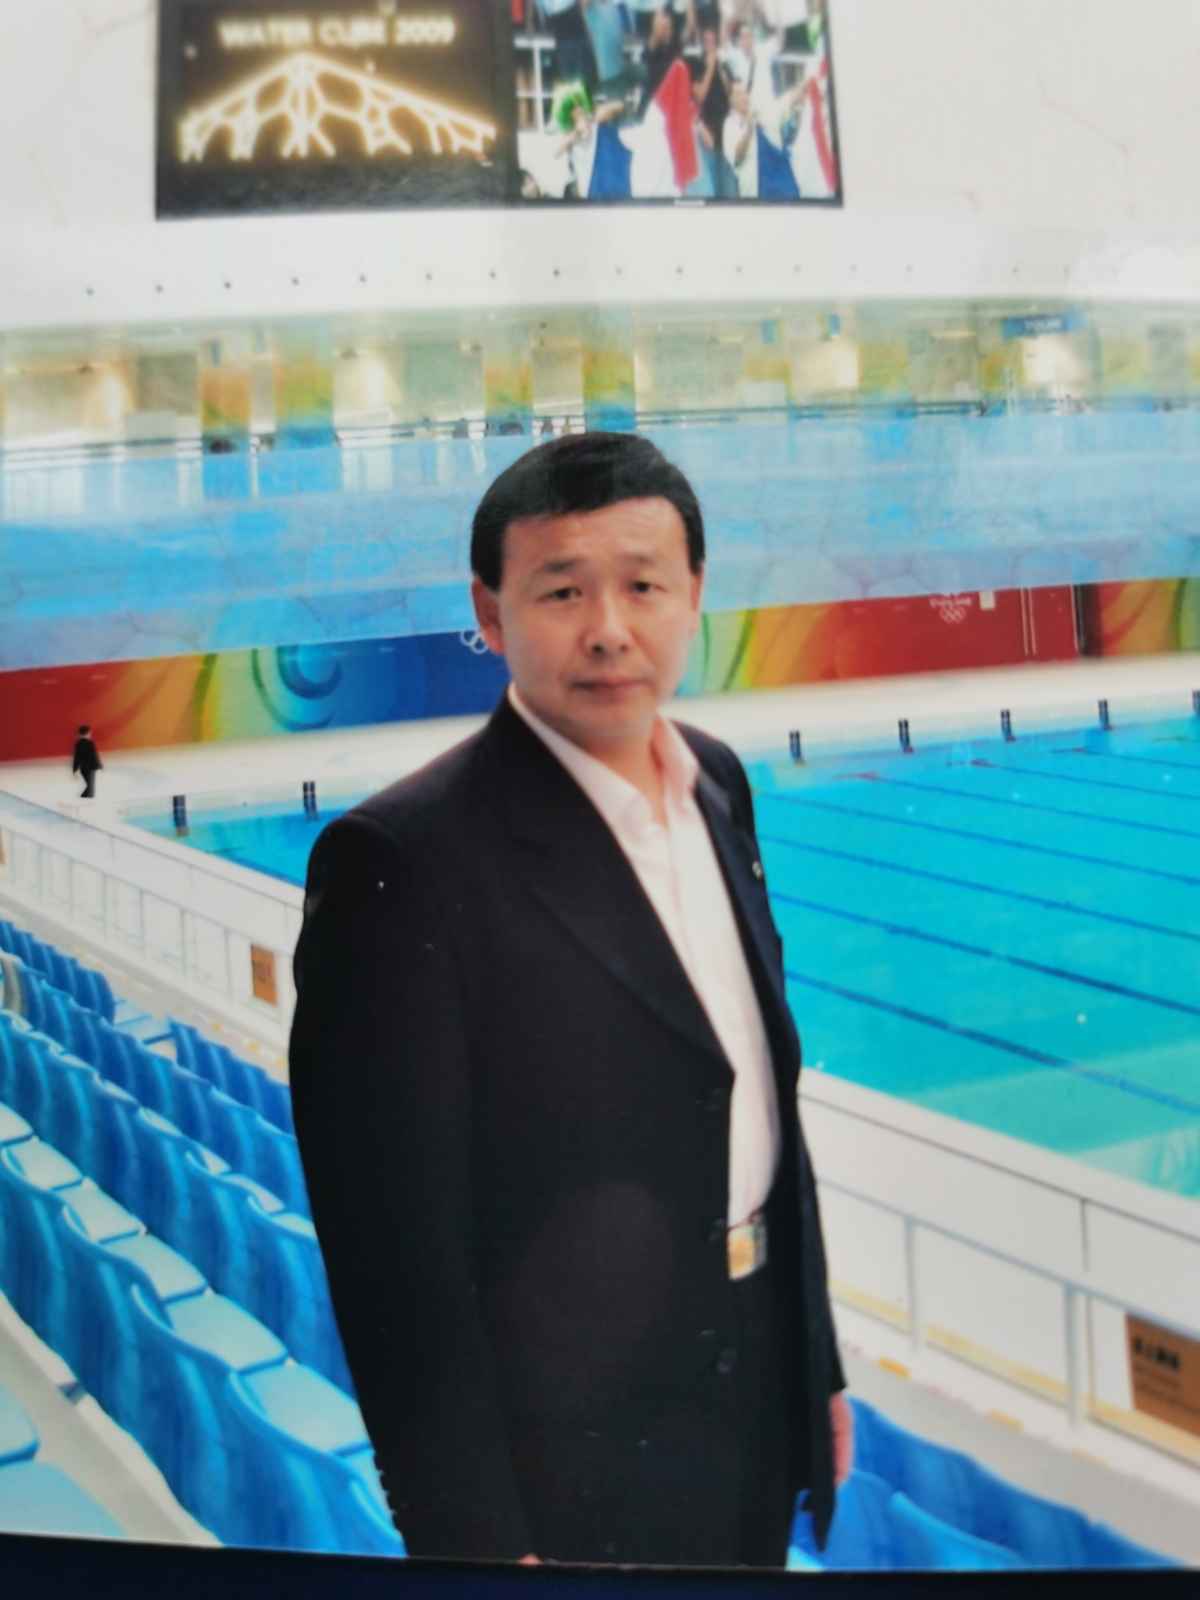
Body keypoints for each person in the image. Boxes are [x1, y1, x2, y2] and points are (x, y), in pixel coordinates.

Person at [289, 432, 852, 1567]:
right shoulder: (404, 860)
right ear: (489, 613)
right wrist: (474, 1537)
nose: (608, 628)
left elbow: (755, 1096)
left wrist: (816, 1365)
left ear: (694, 594)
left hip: (753, 1394)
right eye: (561, 590)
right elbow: (394, 1253)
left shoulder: (719, 785)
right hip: (570, 1456)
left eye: (644, 585)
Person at [71, 725, 102, 798]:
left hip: (83, 767)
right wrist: (99, 765)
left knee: (90, 784)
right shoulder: (89, 743)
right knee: (91, 785)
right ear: (88, 733)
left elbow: (77, 757)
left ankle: (85, 796)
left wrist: (75, 768)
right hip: (91, 767)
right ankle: (86, 797)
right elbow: (93, 755)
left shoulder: (78, 744)